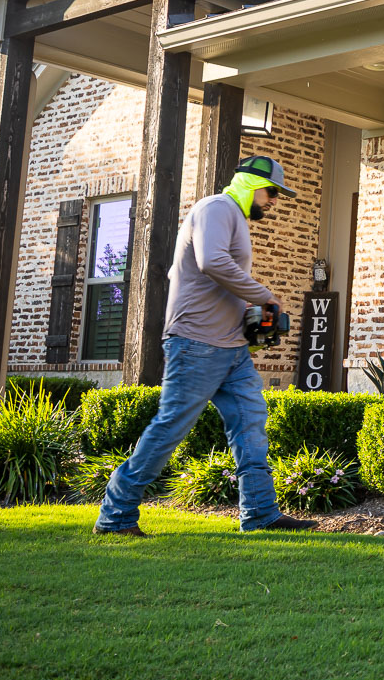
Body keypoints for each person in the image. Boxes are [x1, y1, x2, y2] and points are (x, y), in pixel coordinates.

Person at [94, 156, 318, 536]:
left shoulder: (234, 219)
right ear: (250, 184)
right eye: (272, 192)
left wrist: (248, 313)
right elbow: (211, 261)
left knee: (251, 426)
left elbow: (217, 278)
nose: (274, 201)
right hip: (196, 343)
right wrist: (265, 296)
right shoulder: (216, 208)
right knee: (170, 429)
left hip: (231, 348)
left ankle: (261, 514)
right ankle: (115, 516)